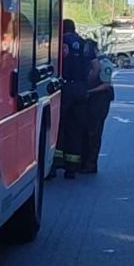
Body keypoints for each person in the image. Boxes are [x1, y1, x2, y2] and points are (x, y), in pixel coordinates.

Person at [54, 19, 91, 179]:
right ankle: (72, 168)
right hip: (81, 88)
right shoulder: (85, 43)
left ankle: (54, 165)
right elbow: (93, 66)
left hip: (65, 87)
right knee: (76, 128)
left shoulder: (60, 42)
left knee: (58, 125)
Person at [80, 38, 115, 174]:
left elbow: (105, 85)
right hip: (90, 98)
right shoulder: (89, 63)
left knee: (94, 132)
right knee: (85, 129)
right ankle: (83, 161)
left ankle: (91, 164)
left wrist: (89, 91)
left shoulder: (105, 63)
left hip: (100, 99)